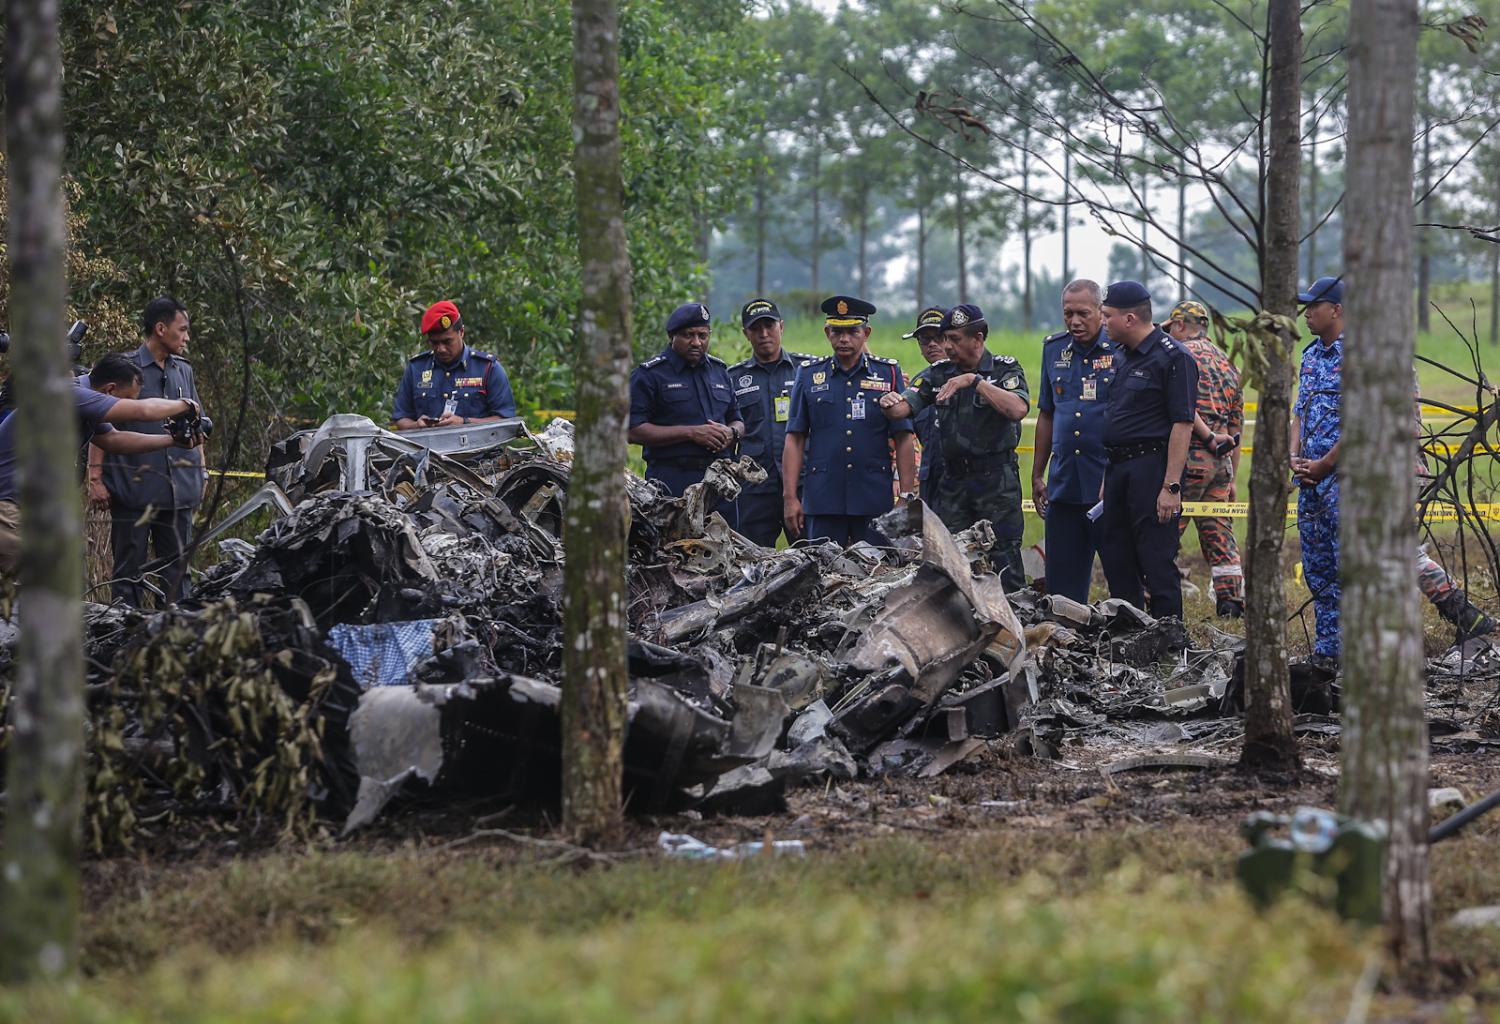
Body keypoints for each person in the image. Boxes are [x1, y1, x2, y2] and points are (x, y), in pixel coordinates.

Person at [1292, 275, 1492, 667]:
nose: (1306, 313)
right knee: (1324, 567)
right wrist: (1294, 456)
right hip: (1316, 479)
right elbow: (1299, 410)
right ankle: (1332, 652)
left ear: (1337, 310)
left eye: (1313, 306)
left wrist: (1327, 462)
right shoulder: (1312, 355)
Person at [0, 353, 199, 576]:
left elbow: (115, 440)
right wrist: (186, 404)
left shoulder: (83, 406)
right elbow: (144, 410)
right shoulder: (71, 394)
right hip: (8, 508)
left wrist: (172, 441)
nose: (128, 407)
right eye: (127, 400)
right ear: (110, 391)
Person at [880, 303, 1030, 587]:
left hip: (995, 482)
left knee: (1004, 563)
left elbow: (1017, 409)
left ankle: (1012, 625)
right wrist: (890, 404)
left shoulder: (1003, 369)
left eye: (954, 339)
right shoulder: (937, 373)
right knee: (952, 563)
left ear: (978, 337)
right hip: (953, 484)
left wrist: (975, 382)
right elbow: (904, 408)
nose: (946, 346)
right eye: (944, 338)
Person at [92, 296, 208, 606]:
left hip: (179, 490)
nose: (186, 337)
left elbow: (199, 425)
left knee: (178, 575)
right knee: (128, 574)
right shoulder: (124, 369)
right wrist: (95, 477)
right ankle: (121, 644)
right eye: (182, 329)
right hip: (134, 490)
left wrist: (202, 471)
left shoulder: (184, 370)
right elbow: (96, 421)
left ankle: (173, 642)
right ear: (160, 328)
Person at [1097, 280, 1198, 620]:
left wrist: (1171, 486)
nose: (1102, 321)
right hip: (1118, 469)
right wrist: (1108, 476)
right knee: (1116, 556)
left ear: (1129, 319)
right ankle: (1129, 637)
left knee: (1155, 559)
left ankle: (1169, 646)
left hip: (1152, 468)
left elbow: (1182, 424)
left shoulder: (1173, 358)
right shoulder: (1122, 356)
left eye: (1106, 315)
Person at [783, 295, 915, 547]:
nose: (844, 339)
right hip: (823, 499)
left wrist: (906, 497)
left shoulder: (887, 372)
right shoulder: (810, 375)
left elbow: (904, 437)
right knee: (823, 573)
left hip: (873, 499)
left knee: (879, 572)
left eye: (852, 331)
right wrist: (790, 497)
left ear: (866, 333)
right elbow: (795, 437)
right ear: (827, 332)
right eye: (837, 331)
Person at [1031, 280, 1116, 603]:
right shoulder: (1054, 349)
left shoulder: (1119, 349)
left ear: (1100, 312)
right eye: (1068, 313)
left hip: (1107, 481)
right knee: (1062, 586)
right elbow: (1047, 414)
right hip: (1065, 482)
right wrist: (1038, 473)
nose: (1075, 321)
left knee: (1122, 576)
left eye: (1083, 313)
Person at [1164, 299, 1246, 618]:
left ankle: (1151, 594)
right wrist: (1232, 476)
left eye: (1171, 329)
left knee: (1167, 530)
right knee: (1219, 530)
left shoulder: (1180, 357)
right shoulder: (1229, 365)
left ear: (1181, 326)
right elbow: (1237, 427)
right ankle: (1231, 601)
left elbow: (1181, 409)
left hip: (1188, 458)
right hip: (1220, 464)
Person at [629, 302, 745, 502]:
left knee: (727, 533)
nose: (696, 342)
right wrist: (691, 433)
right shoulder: (649, 375)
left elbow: (737, 420)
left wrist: (731, 432)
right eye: (688, 335)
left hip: (720, 481)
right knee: (675, 535)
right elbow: (632, 431)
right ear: (672, 336)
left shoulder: (720, 372)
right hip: (672, 481)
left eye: (703, 335)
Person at [727, 299, 812, 547]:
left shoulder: (806, 370)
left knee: (814, 557)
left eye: (770, 326)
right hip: (754, 487)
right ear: (746, 333)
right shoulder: (734, 378)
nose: (764, 334)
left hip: (803, 482)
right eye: (756, 328)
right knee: (751, 561)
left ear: (781, 327)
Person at [393, 300, 517, 430]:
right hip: (427, 448)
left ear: (461, 332)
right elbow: (401, 418)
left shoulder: (488, 368)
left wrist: (465, 423)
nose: (441, 349)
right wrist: (417, 425)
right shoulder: (416, 368)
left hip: (477, 448)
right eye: (434, 343)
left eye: (447, 341)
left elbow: (506, 421)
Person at [902, 306, 948, 505]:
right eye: (924, 340)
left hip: (971, 489)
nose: (931, 344)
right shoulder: (919, 385)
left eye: (938, 337)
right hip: (932, 489)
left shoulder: (978, 379)